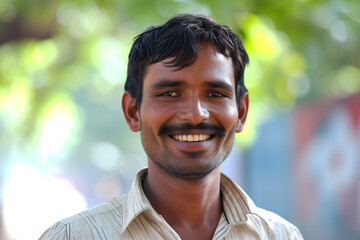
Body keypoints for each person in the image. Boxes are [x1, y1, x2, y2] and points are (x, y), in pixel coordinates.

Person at [40, 14, 303, 240]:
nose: (194, 115)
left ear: (241, 112)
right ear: (133, 112)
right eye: (169, 94)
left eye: (215, 94)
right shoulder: (71, 236)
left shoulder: (280, 236)